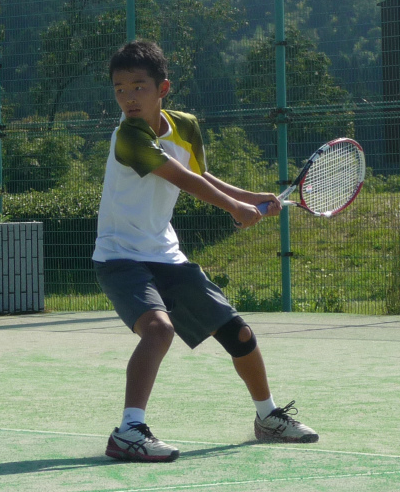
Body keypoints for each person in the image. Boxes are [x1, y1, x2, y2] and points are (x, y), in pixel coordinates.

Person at [94, 40, 318, 463]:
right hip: (120, 257)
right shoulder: (128, 136)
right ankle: (128, 431)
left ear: (163, 88)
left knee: (238, 333)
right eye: (119, 89)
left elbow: (200, 174)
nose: (128, 98)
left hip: (166, 255)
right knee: (158, 329)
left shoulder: (186, 126)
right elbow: (181, 179)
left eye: (138, 87)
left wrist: (249, 197)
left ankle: (268, 417)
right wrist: (235, 207)